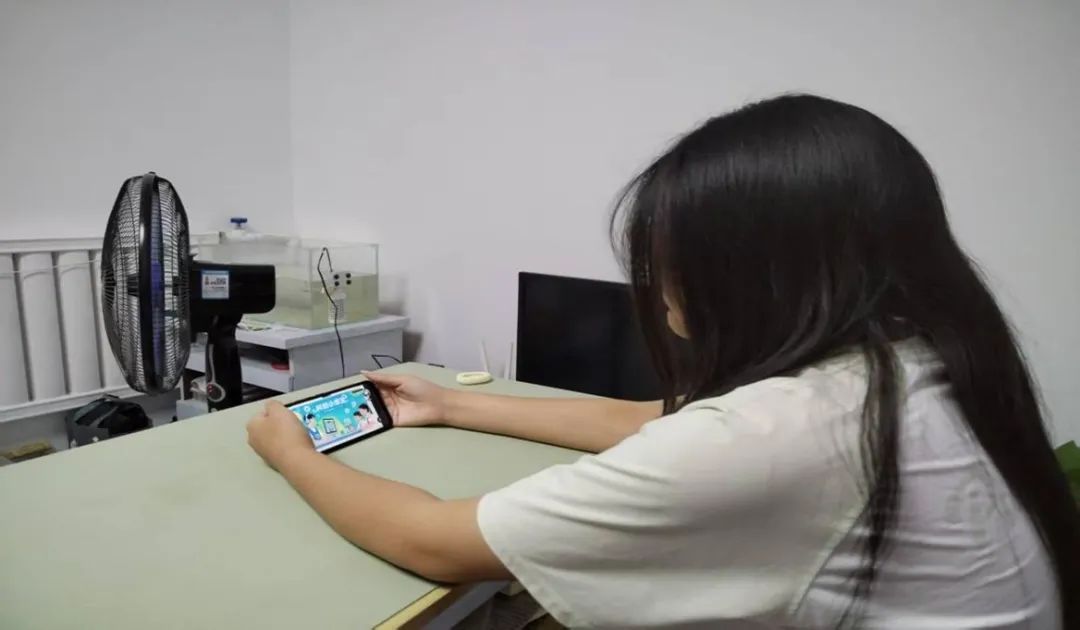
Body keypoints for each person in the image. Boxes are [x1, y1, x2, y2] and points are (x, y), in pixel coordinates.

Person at [247, 94, 1078, 628]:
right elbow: (658, 420)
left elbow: (435, 542)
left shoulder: (784, 433)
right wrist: (451, 404)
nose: (652, 281)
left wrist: (291, 452)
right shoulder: (909, 359)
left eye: (666, 257)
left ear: (748, 273)